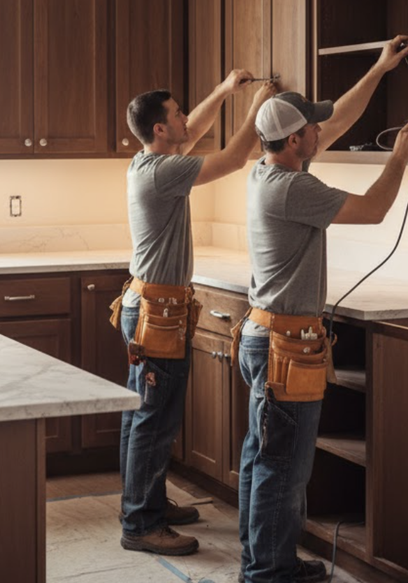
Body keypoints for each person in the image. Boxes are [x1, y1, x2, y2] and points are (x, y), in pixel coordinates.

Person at [236, 36, 408, 583]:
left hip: (264, 338)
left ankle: (262, 560)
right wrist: (400, 157)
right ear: (296, 140)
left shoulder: (265, 169)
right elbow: (373, 211)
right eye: (312, 128)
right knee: (282, 467)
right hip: (285, 348)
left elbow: (338, 120)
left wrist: (380, 68)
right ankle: (269, 571)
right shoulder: (296, 188)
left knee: (261, 455)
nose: (323, 130)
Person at [114, 69, 277, 557]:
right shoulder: (165, 172)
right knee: (153, 421)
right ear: (160, 128)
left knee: (140, 415)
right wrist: (256, 112)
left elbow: (196, 132)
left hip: (146, 305)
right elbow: (231, 158)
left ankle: (144, 504)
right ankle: (143, 524)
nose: (186, 118)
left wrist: (226, 92)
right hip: (157, 313)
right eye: (177, 113)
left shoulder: (150, 162)